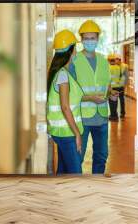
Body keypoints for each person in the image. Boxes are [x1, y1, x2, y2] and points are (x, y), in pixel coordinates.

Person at [68, 20, 114, 174]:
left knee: (101, 156)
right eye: (86, 38)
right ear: (81, 40)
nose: (90, 41)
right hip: (82, 118)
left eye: (92, 38)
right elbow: (69, 93)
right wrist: (90, 98)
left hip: (101, 117)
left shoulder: (103, 60)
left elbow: (107, 85)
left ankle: (97, 185)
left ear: (97, 39)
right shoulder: (74, 61)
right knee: (77, 157)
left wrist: (111, 93)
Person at [47, 29, 84, 174]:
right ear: (71, 50)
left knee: (63, 170)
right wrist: (77, 134)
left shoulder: (59, 72)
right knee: (75, 173)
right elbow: (65, 107)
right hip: (67, 133)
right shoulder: (63, 75)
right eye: (75, 48)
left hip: (60, 132)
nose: (76, 52)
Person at [108, 53, 128, 121]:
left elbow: (108, 78)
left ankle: (113, 116)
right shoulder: (118, 67)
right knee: (116, 101)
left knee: (112, 102)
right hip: (119, 86)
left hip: (112, 87)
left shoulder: (109, 68)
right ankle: (116, 115)